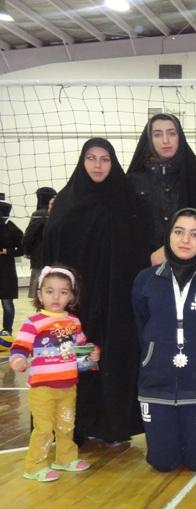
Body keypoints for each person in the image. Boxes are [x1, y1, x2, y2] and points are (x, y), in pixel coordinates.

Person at [42, 138, 146, 445]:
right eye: (91, 158)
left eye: (105, 159)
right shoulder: (65, 201)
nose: (98, 165)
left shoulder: (126, 201)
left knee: (109, 360)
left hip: (114, 300)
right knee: (72, 360)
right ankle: (72, 427)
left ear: (113, 163)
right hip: (75, 304)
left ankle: (109, 425)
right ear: (82, 161)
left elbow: (137, 246)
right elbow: (53, 246)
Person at [132, 208, 196, 472]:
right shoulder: (145, 280)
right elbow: (142, 327)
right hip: (158, 385)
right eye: (179, 232)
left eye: (195, 234)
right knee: (162, 463)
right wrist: (154, 356)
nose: (185, 240)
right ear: (168, 235)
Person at [10, 265, 100, 482]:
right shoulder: (33, 322)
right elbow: (20, 347)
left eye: (63, 292)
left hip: (68, 385)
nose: (56, 297)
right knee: (44, 428)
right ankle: (34, 466)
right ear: (39, 295)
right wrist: (18, 360)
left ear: (71, 296)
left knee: (66, 425)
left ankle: (65, 459)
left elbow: (81, 347)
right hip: (42, 387)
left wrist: (92, 353)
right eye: (49, 291)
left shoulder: (74, 322)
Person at [127, 113, 196, 266]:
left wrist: (170, 250)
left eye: (172, 133)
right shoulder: (133, 181)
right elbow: (126, 228)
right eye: (158, 134)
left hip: (189, 263)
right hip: (145, 265)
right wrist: (149, 257)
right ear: (149, 139)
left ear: (180, 137)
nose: (165, 140)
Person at [23, 186, 57, 299]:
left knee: (38, 294)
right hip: (56, 259)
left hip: (39, 260)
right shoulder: (59, 213)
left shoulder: (39, 214)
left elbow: (29, 236)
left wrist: (26, 251)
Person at [0, 197, 23, 334]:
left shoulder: (12, 229)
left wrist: (6, 251)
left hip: (6, 271)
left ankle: (7, 330)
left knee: (7, 302)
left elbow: (22, 249)